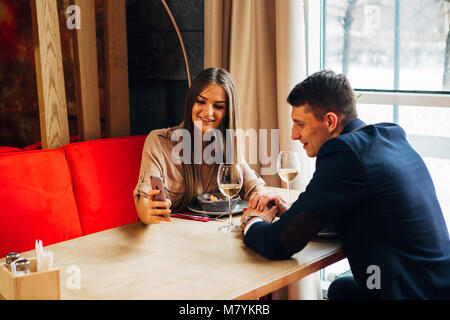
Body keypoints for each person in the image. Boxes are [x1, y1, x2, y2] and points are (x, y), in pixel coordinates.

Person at [240, 69, 450, 299]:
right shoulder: (390, 136)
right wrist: (293, 214)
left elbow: (280, 243)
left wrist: (252, 220)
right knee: (341, 289)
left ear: (330, 121)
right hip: (436, 284)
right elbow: (365, 213)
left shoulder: (344, 153)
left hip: (409, 293)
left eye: (299, 124)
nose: (293, 135)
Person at [133, 68, 266, 224]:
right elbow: (144, 199)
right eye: (201, 101)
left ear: (227, 112)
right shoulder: (158, 142)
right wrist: (147, 211)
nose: (208, 112)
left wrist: (263, 196)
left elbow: (254, 188)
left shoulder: (227, 146)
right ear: (191, 102)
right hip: (170, 238)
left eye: (218, 106)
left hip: (212, 236)